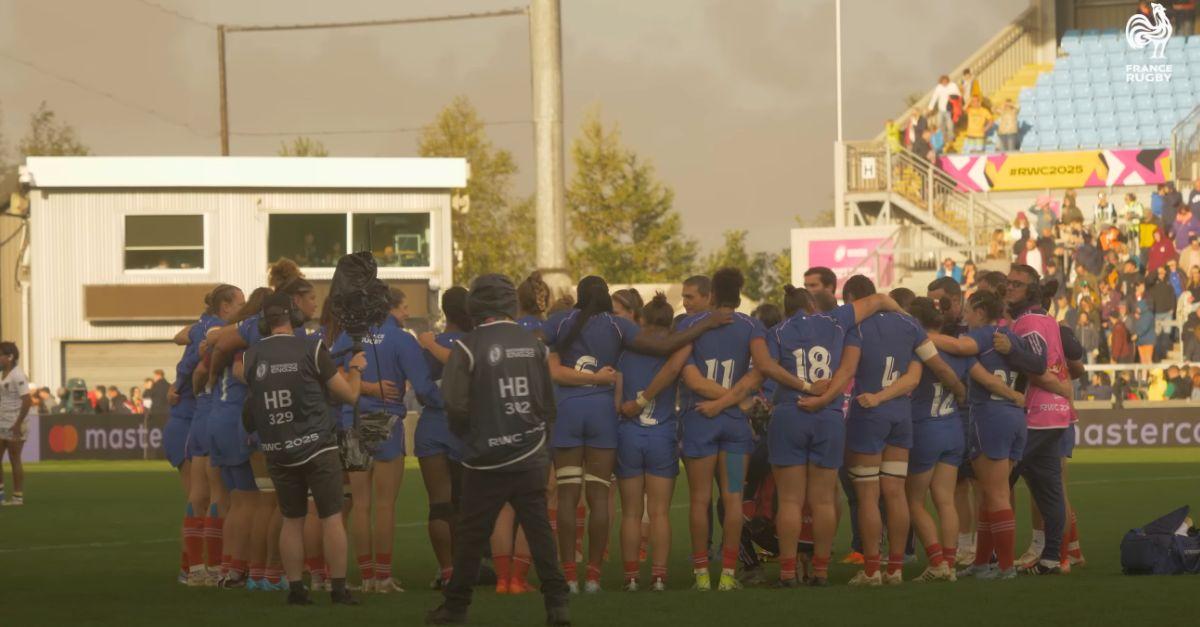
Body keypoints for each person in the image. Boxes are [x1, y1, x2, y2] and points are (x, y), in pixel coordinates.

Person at [542, 275, 727, 593]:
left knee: (568, 498)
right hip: (605, 417)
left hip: (569, 413)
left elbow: (536, 342)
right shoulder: (618, 327)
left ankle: (569, 576)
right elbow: (666, 346)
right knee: (600, 497)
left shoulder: (559, 321)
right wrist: (705, 325)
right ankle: (596, 578)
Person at [426, 274, 570, 627]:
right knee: (538, 532)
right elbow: (548, 406)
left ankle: (456, 608)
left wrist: (471, 437)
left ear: (477, 305)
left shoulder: (467, 347)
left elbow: (455, 405)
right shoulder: (535, 344)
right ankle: (557, 606)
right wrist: (539, 443)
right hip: (530, 454)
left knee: (472, 536)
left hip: (484, 459)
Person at [840, 275, 969, 586]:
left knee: (869, 497)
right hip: (902, 417)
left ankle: (872, 571)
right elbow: (930, 370)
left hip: (869, 414)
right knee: (897, 493)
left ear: (855, 301)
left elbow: (847, 370)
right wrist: (960, 392)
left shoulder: (856, 328)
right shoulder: (910, 327)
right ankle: (896, 569)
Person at [242, 291, 366, 606]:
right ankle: (339, 588)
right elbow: (348, 395)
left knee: (292, 519)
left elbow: (252, 406)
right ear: (294, 316)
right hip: (317, 445)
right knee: (331, 517)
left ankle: (296, 589)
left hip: (276, 448)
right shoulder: (311, 347)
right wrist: (356, 369)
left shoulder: (251, 356)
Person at [333, 286, 439, 594]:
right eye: (403, 307)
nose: (406, 313)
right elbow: (423, 386)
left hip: (351, 421)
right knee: (384, 505)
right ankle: (382, 578)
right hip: (385, 421)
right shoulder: (401, 340)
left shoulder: (349, 336)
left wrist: (362, 387)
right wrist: (449, 403)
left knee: (360, 503)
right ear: (389, 308)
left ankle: (366, 578)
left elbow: (328, 368)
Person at [931, 292, 1035, 580]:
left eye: (968, 310)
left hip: (991, 415)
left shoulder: (985, 335)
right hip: (1014, 419)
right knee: (991, 494)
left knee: (996, 495)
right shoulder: (1012, 337)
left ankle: (1004, 567)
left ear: (979, 311)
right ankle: (982, 562)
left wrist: (920, 334)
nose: (965, 315)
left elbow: (958, 346)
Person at [613, 293, 683, 591]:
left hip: (628, 433)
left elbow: (617, 398)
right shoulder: (673, 350)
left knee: (630, 512)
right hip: (662, 434)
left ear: (640, 320)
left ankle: (630, 577)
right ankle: (658, 576)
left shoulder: (625, 351)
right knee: (658, 512)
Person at [904, 298, 972, 582]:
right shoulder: (958, 348)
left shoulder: (918, 349)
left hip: (925, 429)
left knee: (914, 501)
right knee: (946, 500)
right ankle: (949, 562)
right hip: (952, 427)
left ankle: (936, 563)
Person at [182, 284, 246, 586]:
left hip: (199, 414)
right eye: (239, 304)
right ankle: (221, 567)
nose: (243, 309)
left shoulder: (201, 324)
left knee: (198, 494)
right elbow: (210, 342)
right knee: (221, 496)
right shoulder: (221, 329)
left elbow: (183, 336)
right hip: (215, 414)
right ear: (224, 307)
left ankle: (195, 569)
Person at [0, 342, 31, 506]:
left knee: (14, 458)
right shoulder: (3, 373)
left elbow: (27, 400)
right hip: (2, 420)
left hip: (15, 422)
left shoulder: (18, 375)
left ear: (10, 357)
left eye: (0, 355)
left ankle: (17, 496)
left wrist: (18, 423)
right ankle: (0, 495)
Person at [928, 75, 961, 143]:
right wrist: (930, 107)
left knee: (950, 126)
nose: (944, 83)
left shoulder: (953, 85)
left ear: (948, 81)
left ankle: (951, 139)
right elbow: (934, 97)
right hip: (941, 110)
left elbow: (958, 95)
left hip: (950, 110)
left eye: (945, 82)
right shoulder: (938, 87)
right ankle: (944, 138)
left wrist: (954, 100)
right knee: (940, 124)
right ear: (941, 82)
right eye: (943, 82)